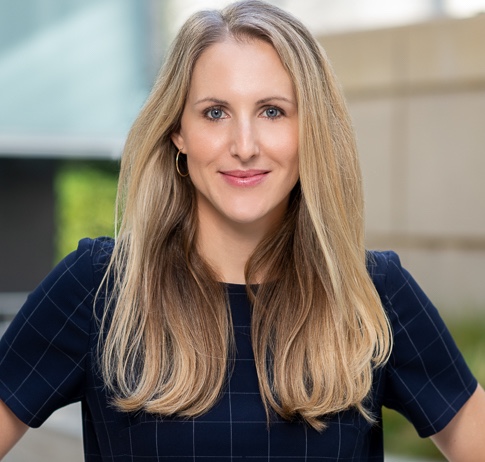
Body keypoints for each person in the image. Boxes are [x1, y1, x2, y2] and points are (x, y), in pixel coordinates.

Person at [1, 1, 484, 460]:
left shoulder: (370, 293)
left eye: (272, 111)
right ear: (178, 131)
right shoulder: (99, 288)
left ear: (310, 130)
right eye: (215, 112)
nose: (245, 145)